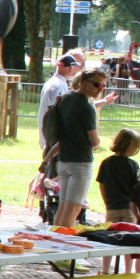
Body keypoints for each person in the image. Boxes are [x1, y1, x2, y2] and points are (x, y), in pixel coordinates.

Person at [51, 68, 108, 228]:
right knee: (73, 209)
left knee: (63, 206)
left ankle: (55, 237)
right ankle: (62, 242)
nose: (100, 89)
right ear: (84, 82)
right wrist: (97, 143)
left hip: (64, 160)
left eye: (103, 86)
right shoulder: (86, 107)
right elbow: (95, 142)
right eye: (97, 84)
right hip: (80, 163)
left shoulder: (66, 98)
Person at [96, 128, 140, 273]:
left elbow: (102, 185)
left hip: (112, 207)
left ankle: (105, 270)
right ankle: (127, 271)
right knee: (129, 240)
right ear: (132, 147)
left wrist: (107, 203)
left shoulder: (106, 163)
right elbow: (137, 187)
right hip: (129, 208)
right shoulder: (132, 165)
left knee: (109, 240)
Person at [37, 54, 83, 153]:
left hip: (47, 126)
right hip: (53, 129)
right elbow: (61, 109)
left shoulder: (51, 82)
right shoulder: (60, 85)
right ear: (70, 68)